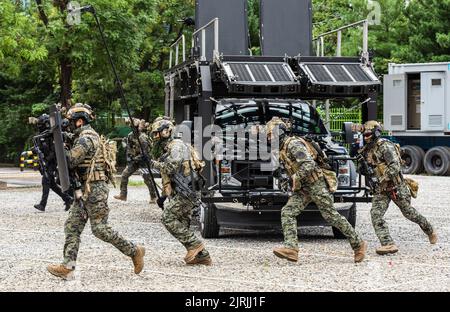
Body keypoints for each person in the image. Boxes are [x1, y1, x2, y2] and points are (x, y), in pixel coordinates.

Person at [46, 103, 145, 280]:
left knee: (100, 229)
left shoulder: (87, 137)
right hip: (84, 188)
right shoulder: (81, 136)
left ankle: (134, 250)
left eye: (71, 121)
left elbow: (70, 160)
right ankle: (68, 266)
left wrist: (58, 146)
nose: (68, 125)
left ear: (80, 121)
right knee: (72, 226)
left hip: (95, 189)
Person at [266, 117, 367, 263]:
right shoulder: (282, 149)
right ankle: (291, 249)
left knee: (331, 216)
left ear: (279, 132)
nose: (269, 139)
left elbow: (309, 165)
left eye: (270, 134)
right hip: (303, 187)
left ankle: (359, 244)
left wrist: (294, 178)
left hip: (316, 183)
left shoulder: (293, 144)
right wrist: (285, 179)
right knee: (287, 212)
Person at [357, 120, 437, 255]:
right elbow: (363, 170)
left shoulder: (385, 146)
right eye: (364, 135)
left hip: (395, 186)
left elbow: (395, 166)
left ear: (376, 133)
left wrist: (382, 179)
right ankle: (388, 244)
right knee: (376, 215)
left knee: (409, 213)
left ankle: (429, 230)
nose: (366, 137)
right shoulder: (367, 150)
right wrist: (360, 162)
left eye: (368, 134)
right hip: (381, 190)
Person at [150, 117, 211, 265]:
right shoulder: (170, 147)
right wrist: (164, 197)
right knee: (183, 225)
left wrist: (153, 164)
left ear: (166, 131)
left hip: (187, 192)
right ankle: (203, 256)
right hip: (184, 191)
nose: (155, 137)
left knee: (168, 218)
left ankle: (196, 246)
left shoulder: (176, 145)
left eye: (157, 133)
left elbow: (171, 167)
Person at [32, 114, 72, 212]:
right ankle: (68, 199)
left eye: (41, 123)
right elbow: (40, 148)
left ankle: (42, 205)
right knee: (52, 185)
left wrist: (47, 161)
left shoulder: (51, 134)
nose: (39, 125)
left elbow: (55, 151)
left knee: (45, 182)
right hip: (45, 162)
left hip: (51, 163)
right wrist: (35, 150)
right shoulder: (41, 135)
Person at [114, 118, 157, 203]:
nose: (133, 129)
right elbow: (129, 147)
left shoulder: (143, 138)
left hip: (144, 161)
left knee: (147, 179)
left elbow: (145, 154)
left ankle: (153, 197)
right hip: (134, 161)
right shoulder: (130, 135)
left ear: (138, 128)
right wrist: (129, 155)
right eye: (132, 127)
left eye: (135, 127)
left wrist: (135, 158)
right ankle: (123, 195)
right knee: (124, 175)